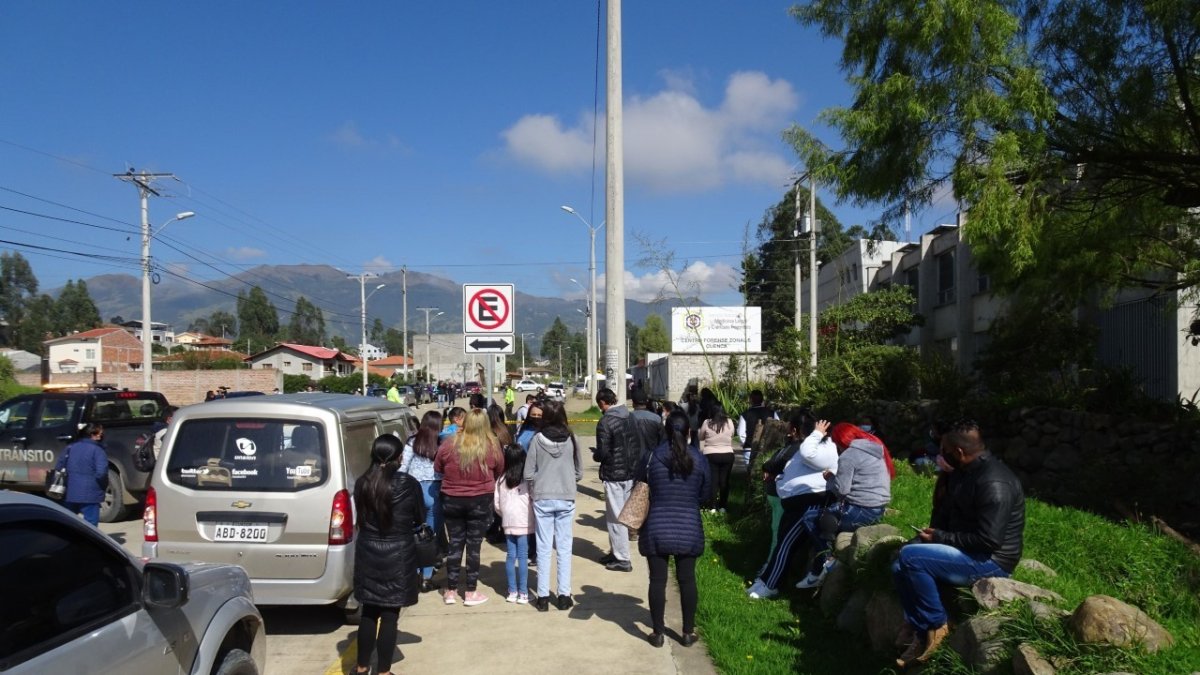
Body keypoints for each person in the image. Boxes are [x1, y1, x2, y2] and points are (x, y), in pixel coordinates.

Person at [893, 420, 1025, 668]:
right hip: (967, 550)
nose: (940, 455)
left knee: (911, 558)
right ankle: (921, 632)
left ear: (959, 452)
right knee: (899, 565)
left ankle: (937, 625)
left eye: (944, 450)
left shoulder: (994, 483)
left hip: (992, 561)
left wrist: (941, 538)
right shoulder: (964, 474)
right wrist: (930, 535)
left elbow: (989, 540)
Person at [350, 434, 424, 675]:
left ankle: (361, 668)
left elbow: (359, 518)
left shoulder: (362, 483)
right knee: (390, 614)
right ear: (399, 457)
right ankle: (383, 671)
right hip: (399, 554)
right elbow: (420, 517)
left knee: (369, 612)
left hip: (368, 551)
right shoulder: (408, 483)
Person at [747, 414, 839, 599]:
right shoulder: (811, 446)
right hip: (796, 503)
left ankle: (770, 585)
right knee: (783, 542)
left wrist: (816, 434)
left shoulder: (824, 447)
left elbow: (806, 453)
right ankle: (766, 579)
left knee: (785, 545)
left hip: (809, 504)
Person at [638, 410, 709, 648]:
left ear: (665, 431)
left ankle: (658, 633)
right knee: (687, 580)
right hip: (688, 526)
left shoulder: (650, 458)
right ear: (689, 432)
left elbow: (640, 486)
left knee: (657, 580)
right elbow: (707, 494)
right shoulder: (699, 459)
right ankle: (688, 633)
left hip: (656, 526)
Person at [434, 409, 504, 607]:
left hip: (452, 498)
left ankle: (451, 590)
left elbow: (438, 467)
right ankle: (471, 591)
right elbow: (499, 469)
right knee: (474, 546)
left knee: (455, 543)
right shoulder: (491, 445)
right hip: (480, 500)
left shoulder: (449, 443)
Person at [524, 399, 583, 611]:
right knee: (565, 547)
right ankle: (564, 595)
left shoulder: (537, 439)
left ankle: (542, 597)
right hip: (566, 496)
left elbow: (528, 472)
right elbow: (579, 472)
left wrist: (538, 484)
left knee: (543, 546)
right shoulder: (573, 438)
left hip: (542, 497)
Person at [757, 409, 815, 571]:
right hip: (790, 497)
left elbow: (774, 463)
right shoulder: (809, 447)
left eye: (790, 426)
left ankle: (770, 567)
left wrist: (768, 468)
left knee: (778, 534)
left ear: (795, 430)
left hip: (785, 497)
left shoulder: (796, 448)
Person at [594, 387, 642, 573]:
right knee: (621, 515)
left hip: (614, 474)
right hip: (630, 473)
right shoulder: (630, 417)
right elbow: (637, 443)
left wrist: (597, 457)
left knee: (615, 518)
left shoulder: (605, 422)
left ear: (602, 403)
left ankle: (622, 558)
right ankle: (616, 551)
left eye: (600, 406)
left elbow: (603, 451)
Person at [400, 410, 445, 591]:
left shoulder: (412, 441)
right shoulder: (442, 442)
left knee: (416, 533)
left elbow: (403, 467)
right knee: (430, 537)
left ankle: (415, 572)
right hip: (435, 489)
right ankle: (426, 577)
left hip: (415, 490)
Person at [494, 442, 534, 604]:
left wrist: (503, 514)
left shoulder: (501, 479)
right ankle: (523, 593)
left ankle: (512, 591)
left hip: (508, 522)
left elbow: (496, 503)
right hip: (523, 522)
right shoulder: (526, 480)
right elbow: (533, 499)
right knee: (523, 557)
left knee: (511, 556)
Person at [54, 423, 108, 526]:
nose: (102, 436)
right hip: (91, 494)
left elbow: (58, 467)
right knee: (91, 524)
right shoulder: (98, 450)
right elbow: (101, 473)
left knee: (69, 523)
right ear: (94, 435)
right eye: (101, 433)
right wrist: (102, 486)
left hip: (70, 492)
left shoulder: (70, 447)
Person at [697, 401, 736, 514]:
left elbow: (701, 437)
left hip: (711, 454)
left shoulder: (707, 422)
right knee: (724, 481)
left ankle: (712, 506)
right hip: (728, 454)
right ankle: (723, 506)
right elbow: (732, 434)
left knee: (713, 481)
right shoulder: (729, 422)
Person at [736, 390, 777, 468]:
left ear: (751, 400)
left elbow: (741, 433)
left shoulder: (745, 414)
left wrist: (747, 443)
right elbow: (777, 429)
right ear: (762, 400)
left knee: (750, 473)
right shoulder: (772, 413)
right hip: (767, 448)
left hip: (749, 449)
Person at [630, 389, 665, 463]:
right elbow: (662, 440)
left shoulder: (626, 418)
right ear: (646, 402)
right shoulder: (656, 418)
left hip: (632, 460)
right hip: (652, 458)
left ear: (633, 403)